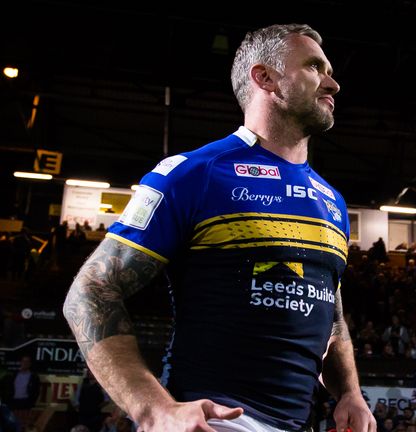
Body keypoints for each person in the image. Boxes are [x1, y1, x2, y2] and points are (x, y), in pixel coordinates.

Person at [62, 23, 374, 432]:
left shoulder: (330, 198)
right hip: (214, 420)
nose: (333, 83)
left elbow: (326, 303)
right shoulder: (194, 173)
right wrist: (153, 409)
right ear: (265, 78)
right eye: (316, 67)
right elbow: (90, 291)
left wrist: (349, 392)